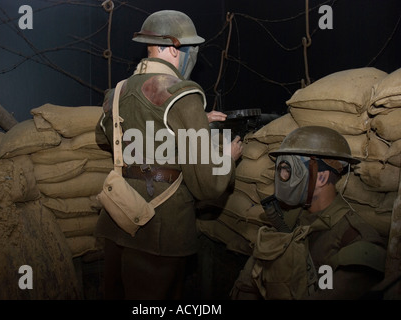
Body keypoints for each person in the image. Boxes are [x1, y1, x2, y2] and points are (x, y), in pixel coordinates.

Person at [94, 9, 243, 300]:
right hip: (161, 228)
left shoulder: (117, 92)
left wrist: (190, 124)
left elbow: (105, 137)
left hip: (118, 219)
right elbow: (208, 185)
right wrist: (228, 157)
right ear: (176, 49)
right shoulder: (183, 93)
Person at [230, 125, 387, 300]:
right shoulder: (288, 221)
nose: (281, 177)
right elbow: (248, 284)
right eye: (281, 169)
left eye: (288, 171)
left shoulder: (354, 239)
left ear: (321, 177)